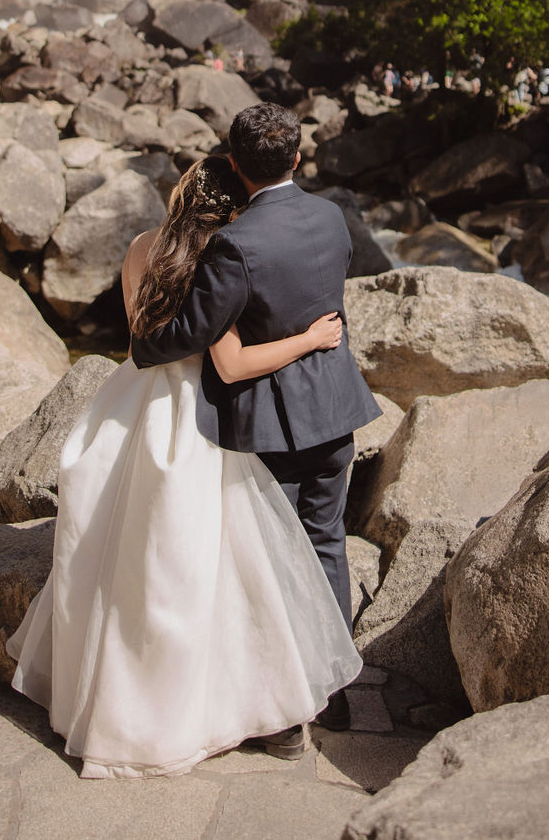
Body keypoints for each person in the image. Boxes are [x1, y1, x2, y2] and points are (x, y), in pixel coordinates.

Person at [7, 153, 362, 779]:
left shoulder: (142, 248)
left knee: (124, 559)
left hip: (132, 406)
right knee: (212, 565)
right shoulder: (216, 261)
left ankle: (112, 697)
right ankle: (258, 707)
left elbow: (139, 340)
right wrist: (311, 339)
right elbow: (232, 365)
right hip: (196, 415)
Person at [130, 102, 380, 734]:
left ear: (235, 164)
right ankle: (333, 691)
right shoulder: (332, 216)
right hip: (334, 409)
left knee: (271, 563)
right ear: (297, 158)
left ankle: (282, 714)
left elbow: (193, 333)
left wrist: (143, 341)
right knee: (326, 546)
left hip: (272, 425)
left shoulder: (235, 245)